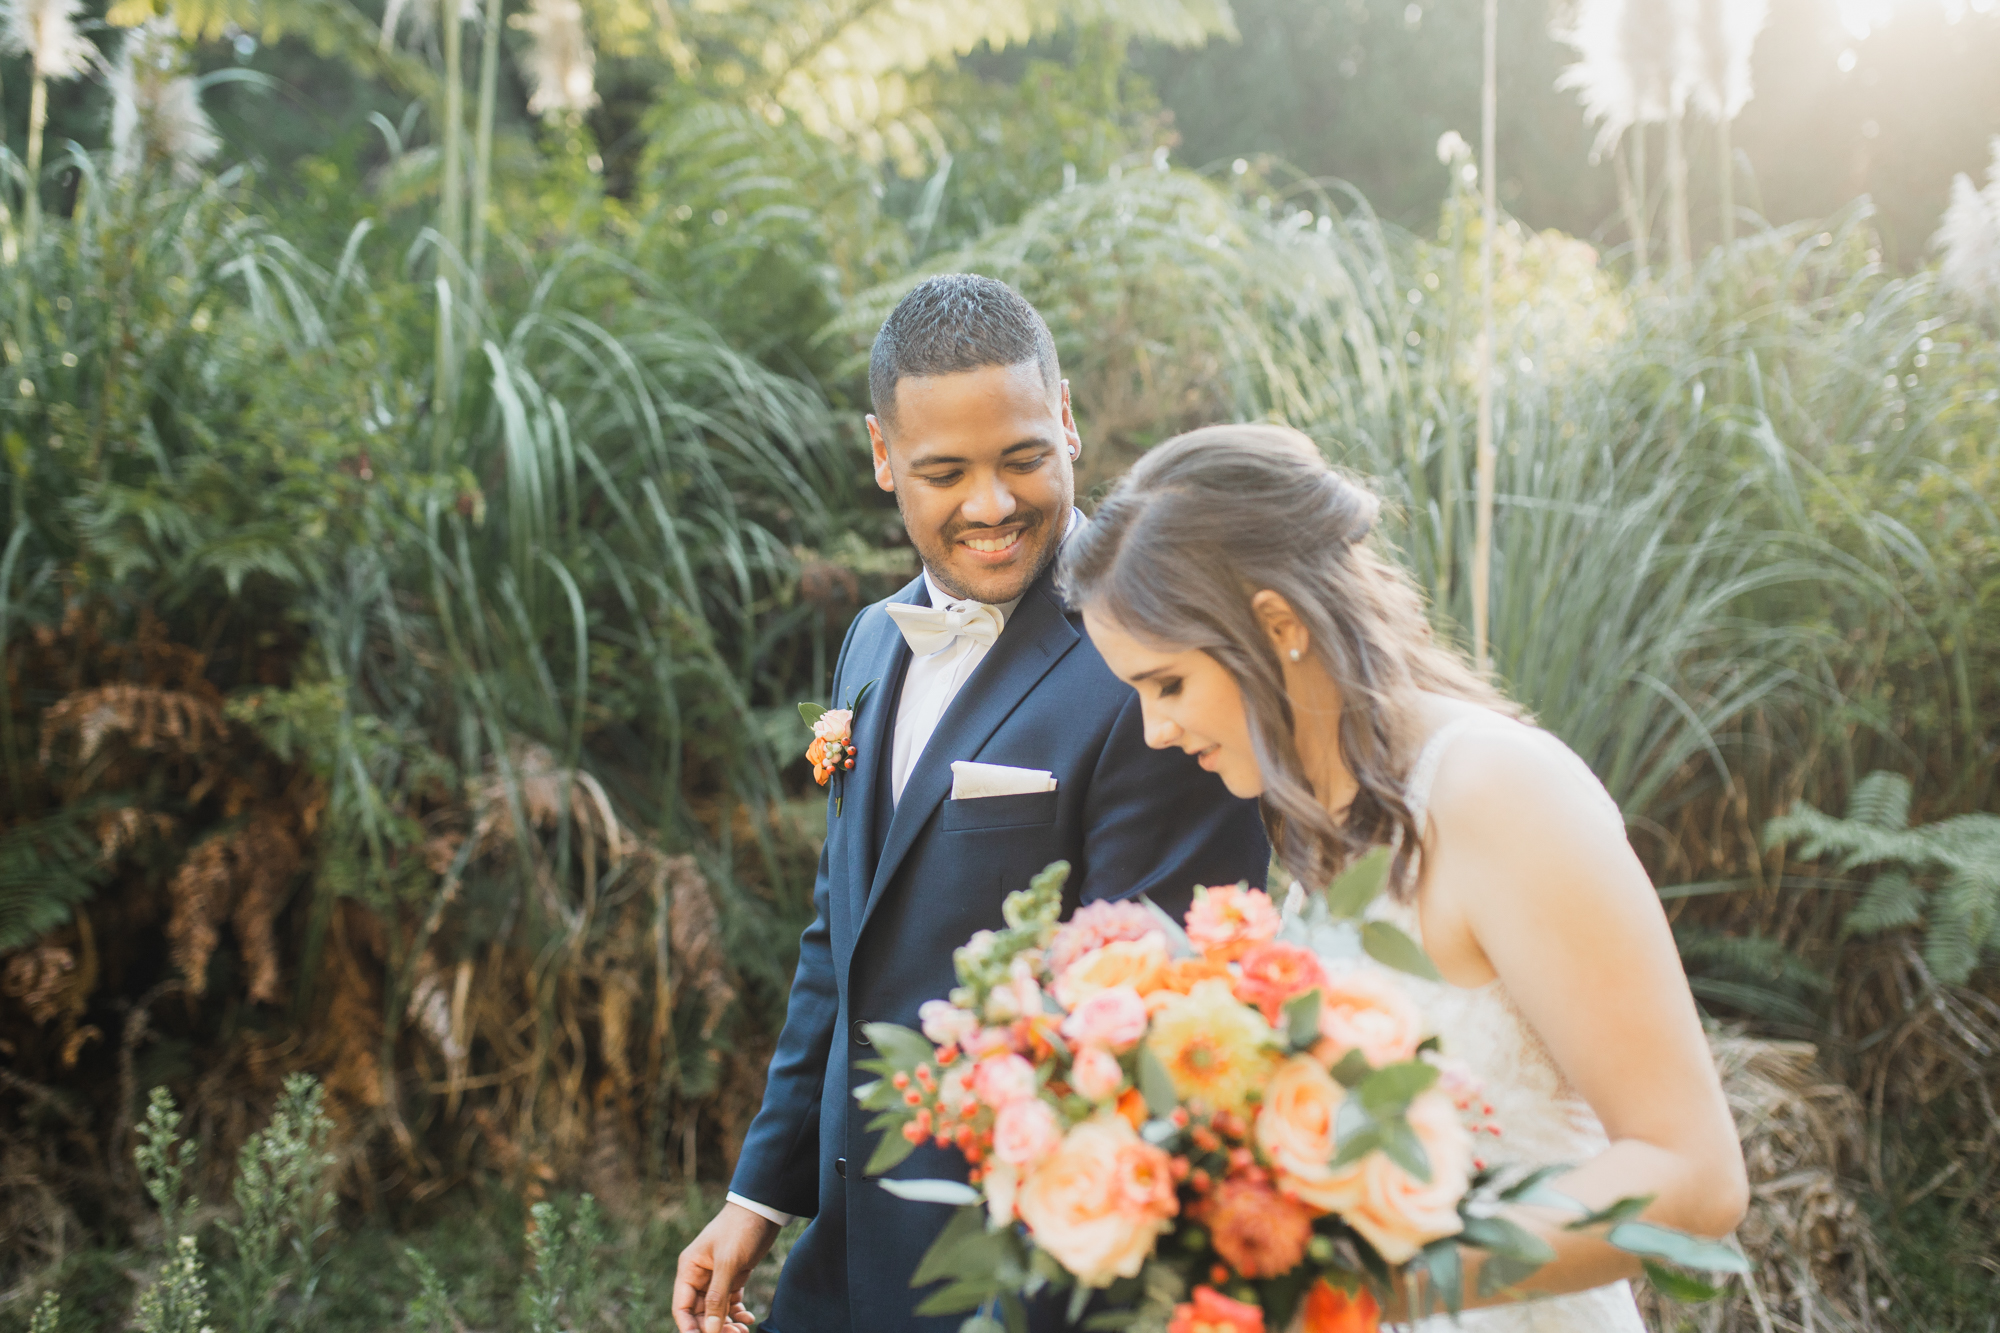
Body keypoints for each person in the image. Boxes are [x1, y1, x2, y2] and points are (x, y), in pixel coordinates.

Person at [671, 278, 1270, 1333]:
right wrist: (757, 1195)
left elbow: (1166, 1019)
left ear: (1069, 421)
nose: (990, 505)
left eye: (1023, 458)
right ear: (880, 456)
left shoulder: (1155, 662)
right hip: (845, 1257)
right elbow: (841, 939)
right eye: (944, 472)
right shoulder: (869, 639)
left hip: (1026, 1264)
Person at [1058, 423, 1749, 1331]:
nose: (1154, 729)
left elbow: (1692, 1176)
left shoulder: (1497, 790)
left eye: (1170, 684)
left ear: (1278, 624)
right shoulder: (1329, 828)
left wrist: (1365, 1281)